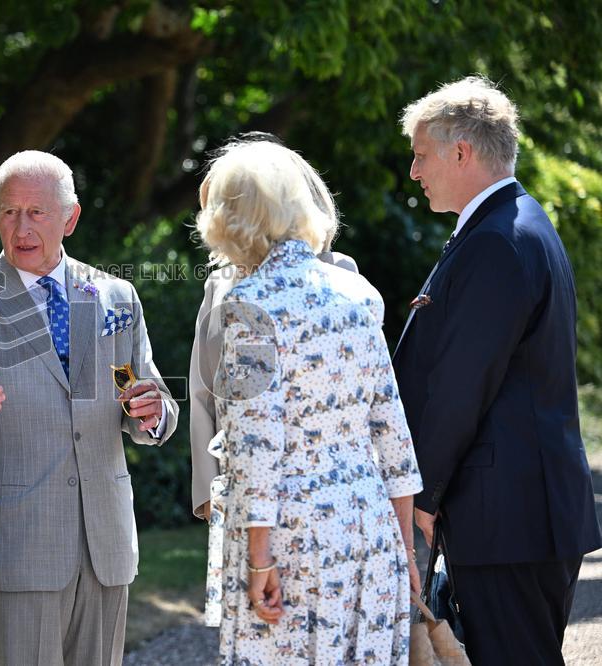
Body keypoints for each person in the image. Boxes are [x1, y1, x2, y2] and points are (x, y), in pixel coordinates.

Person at [0, 150, 178, 665]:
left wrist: (153, 413)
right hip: (15, 548)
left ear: (70, 217)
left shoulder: (115, 296)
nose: (21, 227)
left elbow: (143, 389)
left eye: (36, 212)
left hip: (104, 544)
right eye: (9, 212)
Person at [395, 75, 602, 665]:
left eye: (422, 154)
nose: (414, 170)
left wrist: (423, 498)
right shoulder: (517, 223)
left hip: (508, 518)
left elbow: (462, 386)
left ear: (461, 152)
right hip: (518, 512)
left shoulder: (498, 240)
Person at [196, 139, 423, 664]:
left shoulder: (250, 303)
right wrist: (406, 550)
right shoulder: (358, 293)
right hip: (369, 528)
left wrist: (259, 561)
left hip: (290, 536)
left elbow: (257, 447)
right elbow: (392, 429)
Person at [190, 137, 360, 523]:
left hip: (319, 489)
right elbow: (202, 392)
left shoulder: (340, 273)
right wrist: (208, 493)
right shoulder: (218, 284)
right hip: (234, 487)